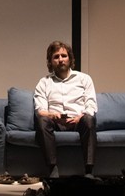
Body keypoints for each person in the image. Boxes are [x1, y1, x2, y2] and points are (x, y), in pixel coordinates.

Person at [34, 40, 98, 179]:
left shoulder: (84, 79)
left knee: (89, 119)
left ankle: (88, 171)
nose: (60, 59)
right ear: (50, 61)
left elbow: (91, 105)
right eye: (56, 57)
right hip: (55, 122)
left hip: (78, 120)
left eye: (64, 56)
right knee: (42, 120)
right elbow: (40, 110)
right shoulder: (44, 82)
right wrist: (52, 115)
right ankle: (52, 169)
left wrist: (80, 117)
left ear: (70, 59)